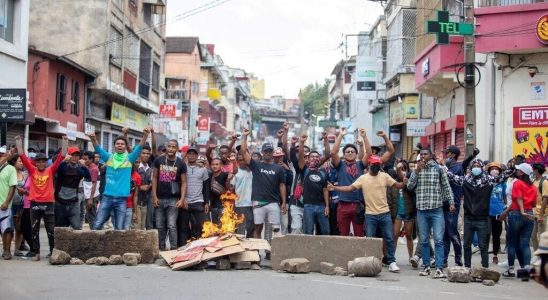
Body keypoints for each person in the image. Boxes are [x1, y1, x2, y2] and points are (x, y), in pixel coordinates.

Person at [329, 155, 406, 273]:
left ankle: (391, 261)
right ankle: (372, 261)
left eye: (378, 165)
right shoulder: (363, 178)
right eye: (374, 165)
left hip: (385, 213)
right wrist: (335, 188)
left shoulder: (385, 176)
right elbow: (350, 188)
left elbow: (398, 185)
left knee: (389, 238)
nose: (376, 167)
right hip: (370, 214)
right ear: (369, 165)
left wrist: (404, 181)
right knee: (370, 239)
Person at [446, 159, 510, 269]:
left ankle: (484, 268)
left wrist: (512, 168)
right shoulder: (465, 180)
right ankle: (467, 267)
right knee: (466, 245)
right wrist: (442, 167)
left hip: (482, 218)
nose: (476, 168)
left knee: (483, 245)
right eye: (474, 166)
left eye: (478, 166)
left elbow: (502, 177)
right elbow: (451, 176)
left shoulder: (488, 181)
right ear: (470, 168)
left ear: (482, 168)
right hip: (469, 217)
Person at [16, 135, 67, 261]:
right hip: (34, 203)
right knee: (34, 229)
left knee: (50, 230)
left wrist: (65, 142)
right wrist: (18, 142)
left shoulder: (50, 170)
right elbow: (22, 156)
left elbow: (61, 157)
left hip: (48, 203)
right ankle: (36, 252)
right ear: (35, 163)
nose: (40, 163)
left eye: (43, 161)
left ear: (46, 162)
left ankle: (52, 251)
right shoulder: (32, 170)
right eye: (38, 161)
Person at [407, 148, 455, 278]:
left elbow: (446, 187)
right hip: (421, 210)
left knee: (439, 240)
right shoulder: (416, 170)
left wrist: (451, 203)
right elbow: (409, 186)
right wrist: (416, 171)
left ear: (431, 155)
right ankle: (426, 267)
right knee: (424, 240)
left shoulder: (439, 169)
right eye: (421, 154)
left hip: (436, 210)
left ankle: (439, 268)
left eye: (425, 154)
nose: (423, 156)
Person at [90, 127, 150, 230]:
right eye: (118, 144)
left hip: (122, 200)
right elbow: (98, 149)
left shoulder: (129, 159)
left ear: (125, 146)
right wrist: (93, 139)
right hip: (107, 197)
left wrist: (145, 135)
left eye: (122, 144)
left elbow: (139, 147)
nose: (120, 145)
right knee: (97, 224)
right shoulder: (108, 157)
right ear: (114, 146)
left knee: (120, 229)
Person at [240, 128, 286, 240]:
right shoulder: (256, 165)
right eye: (266, 151)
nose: (268, 153)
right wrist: (245, 136)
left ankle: (270, 251)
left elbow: (282, 185)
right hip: (258, 201)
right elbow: (243, 152)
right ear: (262, 152)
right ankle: (256, 252)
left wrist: (283, 202)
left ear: (272, 153)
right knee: (258, 228)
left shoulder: (278, 169)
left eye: (270, 151)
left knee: (275, 229)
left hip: (273, 202)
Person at [500, 163, 537, 277]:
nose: (516, 171)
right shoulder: (533, 187)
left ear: (522, 173)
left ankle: (511, 269)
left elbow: (518, 199)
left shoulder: (517, 183)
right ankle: (526, 270)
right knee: (525, 244)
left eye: (518, 170)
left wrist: (521, 210)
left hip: (517, 214)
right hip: (530, 214)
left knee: (512, 243)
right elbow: (534, 203)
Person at [152, 139, 187, 250]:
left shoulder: (181, 163)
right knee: (159, 225)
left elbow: (184, 182)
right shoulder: (159, 160)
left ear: (177, 149)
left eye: (173, 147)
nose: (171, 149)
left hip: (173, 199)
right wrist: (154, 196)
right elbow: (154, 178)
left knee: (172, 225)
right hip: (160, 198)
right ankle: (161, 248)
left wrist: (182, 199)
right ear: (166, 147)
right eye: (169, 146)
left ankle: (173, 248)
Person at [297, 135, 330, 235]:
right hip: (308, 206)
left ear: (319, 159)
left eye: (316, 156)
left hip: (321, 206)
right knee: (309, 231)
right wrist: (301, 142)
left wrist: (327, 206)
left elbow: (325, 189)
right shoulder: (304, 170)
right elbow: (301, 156)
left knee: (326, 231)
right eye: (312, 156)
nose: (314, 158)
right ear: (308, 158)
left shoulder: (323, 172)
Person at [177, 146, 209, 246]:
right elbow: (178, 184)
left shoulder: (203, 169)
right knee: (183, 228)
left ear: (197, 156)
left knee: (200, 227)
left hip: (198, 201)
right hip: (185, 202)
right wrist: (182, 199)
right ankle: (183, 249)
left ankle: (199, 249)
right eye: (189, 154)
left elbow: (206, 187)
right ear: (186, 155)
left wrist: (206, 202)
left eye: (193, 154)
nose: (191, 156)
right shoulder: (182, 168)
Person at [55, 146, 91, 229]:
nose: (75, 158)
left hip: (73, 202)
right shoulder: (64, 166)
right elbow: (58, 170)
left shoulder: (79, 169)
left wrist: (84, 166)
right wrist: (64, 161)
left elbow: (88, 176)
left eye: (77, 155)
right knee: (60, 228)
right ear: (69, 156)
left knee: (77, 228)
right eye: (73, 155)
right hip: (60, 202)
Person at [390, 159, 417, 267]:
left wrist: (401, 171)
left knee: (409, 235)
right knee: (395, 234)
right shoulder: (393, 182)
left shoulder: (410, 181)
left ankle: (411, 257)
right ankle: (392, 258)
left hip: (408, 211)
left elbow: (410, 190)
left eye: (403, 169)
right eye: (399, 169)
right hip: (397, 212)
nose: (401, 171)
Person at [441, 145, 464, 267]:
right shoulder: (447, 167)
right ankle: (443, 260)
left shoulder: (457, 167)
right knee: (444, 233)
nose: (446, 156)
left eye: (448, 153)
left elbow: (451, 177)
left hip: (453, 204)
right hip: (443, 203)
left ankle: (458, 260)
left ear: (453, 155)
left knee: (452, 232)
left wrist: (443, 166)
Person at [486, 162, 506, 265]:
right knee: (486, 233)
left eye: (496, 169)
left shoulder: (502, 183)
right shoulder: (485, 182)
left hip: (499, 212)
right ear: (489, 171)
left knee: (496, 235)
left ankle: (495, 255)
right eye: (492, 169)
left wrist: (505, 210)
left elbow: (505, 197)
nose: (494, 170)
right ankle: (484, 254)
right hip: (487, 211)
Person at [10, 154, 30, 257]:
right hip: (10, 204)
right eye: (19, 161)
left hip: (22, 204)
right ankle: (7, 249)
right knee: (9, 228)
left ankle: (17, 249)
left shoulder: (24, 174)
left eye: (22, 162)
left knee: (19, 228)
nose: (22, 164)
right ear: (14, 162)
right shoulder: (9, 172)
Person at [0, 146, 18, 260]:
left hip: (4, 204)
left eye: (2, 154)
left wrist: (7, 202)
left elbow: (12, 187)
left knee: (6, 229)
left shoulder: (10, 169)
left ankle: (7, 251)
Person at [232, 151, 254, 238]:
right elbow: (231, 187)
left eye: (244, 160)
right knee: (240, 228)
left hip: (252, 204)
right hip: (239, 204)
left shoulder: (253, 170)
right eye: (240, 160)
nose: (242, 162)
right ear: (237, 161)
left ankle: (250, 249)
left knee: (250, 228)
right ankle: (241, 250)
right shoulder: (235, 171)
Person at [207, 158, 231, 224]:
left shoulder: (225, 175)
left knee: (224, 228)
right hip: (213, 207)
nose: (215, 166)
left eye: (217, 164)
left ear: (221, 165)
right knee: (215, 228)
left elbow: (234, 171)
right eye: (213, 164)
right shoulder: (209, 175)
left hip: (224, 207)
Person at [532, 163, 548, 262]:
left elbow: (545, 199)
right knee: (533, 236)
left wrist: (541, 214)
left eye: (533, 169)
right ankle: (537, 255)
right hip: (533, 212)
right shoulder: (534, 181)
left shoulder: (544, 182)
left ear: (536, 170)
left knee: (542, 236)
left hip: (543, 213)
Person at [135, 145, 153, 230]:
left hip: (145, 201)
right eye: (143, 153)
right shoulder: (135, 167)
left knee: (142, 227)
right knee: (136, 226)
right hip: (135, 201)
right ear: (140, 154)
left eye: (147, 153)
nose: (145, 155)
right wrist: (139, 187)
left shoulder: (150, 169)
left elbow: (152, 182)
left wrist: (149, 186)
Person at [81, 151, 100, 227]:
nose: (84, 161)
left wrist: (91, 199)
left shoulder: (94, 169)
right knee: (90, 217)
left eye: (85, 159)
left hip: (92, 196)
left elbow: (94, 184)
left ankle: (95, 233)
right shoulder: (88, 168)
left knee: (92, 217)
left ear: (91, 159)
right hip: (88, 196)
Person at [124, 164, 141, 230]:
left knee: (127, 228)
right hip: (118, 205)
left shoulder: (137, 176)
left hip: (129, 206)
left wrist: (135, 212)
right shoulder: (121, 173)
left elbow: (135, 195)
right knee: (118, 227)